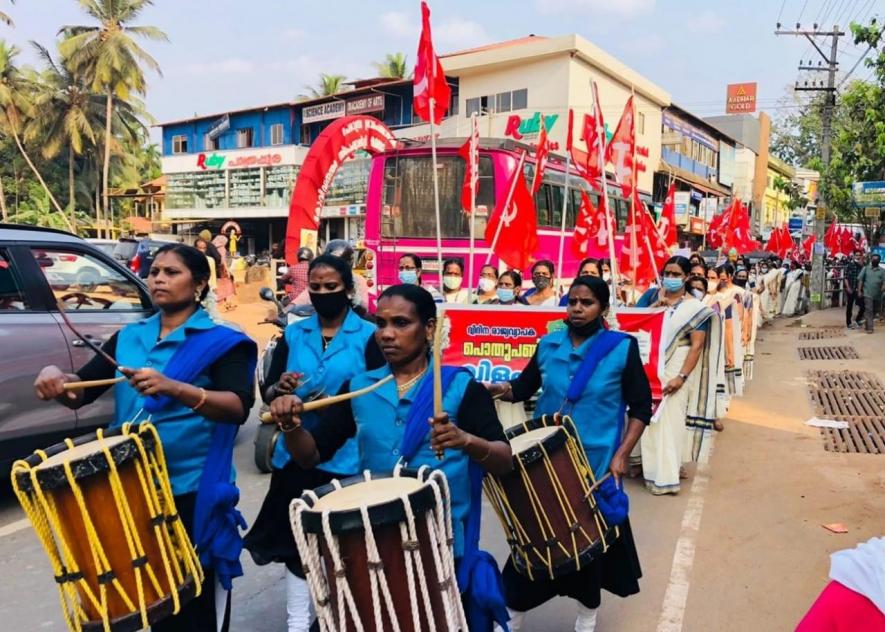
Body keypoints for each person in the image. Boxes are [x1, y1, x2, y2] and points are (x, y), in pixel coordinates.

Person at [33, 244, 257, 631]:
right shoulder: (129, 337)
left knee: (197, 610)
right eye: (154, 272)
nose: (159, 279)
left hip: (193, 491)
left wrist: (175, 388)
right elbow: (79, 392)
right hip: (132, 491)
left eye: (172, 273)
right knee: (147, 606)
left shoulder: (222, 341)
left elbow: (237, 407)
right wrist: (57, 377)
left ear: (200, 283)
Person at [272, 284, 512, 631]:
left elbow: (504, 460)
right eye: (381, 323)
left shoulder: (460, 387)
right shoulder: (358, 388)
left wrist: (466, 441)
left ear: (429, 328)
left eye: (401, 323)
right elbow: (311, 456)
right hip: (370, 543)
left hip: (441, 546)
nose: (386, 334)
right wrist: (291, 427)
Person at [486, 275, 652, 632]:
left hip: (593, 464)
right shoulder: (548, 344)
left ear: (603, 308)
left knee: (585, 547)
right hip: (543, 464)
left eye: (587, 302)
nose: (577, 308)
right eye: (573, 301)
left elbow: (641, 406)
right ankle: (511, 616)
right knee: (531, 537)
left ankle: (586, 616)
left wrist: (622, 455)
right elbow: (522, 388)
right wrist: (496, 388)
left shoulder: (620, 348)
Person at [244, 254, 382, 632]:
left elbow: (374, 394)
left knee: (344, 549)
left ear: (348, 290)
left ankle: (340, 619)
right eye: (316, 288)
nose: (322, 294)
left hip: (347, 458)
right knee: (297, 548)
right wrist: (280, 389)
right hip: (296, 453)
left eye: (331, 287)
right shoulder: (294, 332)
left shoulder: (370, 336)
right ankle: (297, 624)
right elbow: (269, 390)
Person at [637, 257, 715, 495]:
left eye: (675, 273)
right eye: (667, 273)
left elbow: (696, 345)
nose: (670, 277)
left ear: (687, 277)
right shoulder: (652, 298)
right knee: (651, 422)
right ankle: (651, 473)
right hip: (650, 367)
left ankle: (667, 476)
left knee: (670, 421)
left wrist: (681, 376)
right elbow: (634, 325)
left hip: (677, 367)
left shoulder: (696, 307)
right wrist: (656, 308)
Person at [292, 240, 369, 311]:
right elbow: (304, 297)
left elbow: (364, 306)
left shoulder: (358, 280)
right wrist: (288, 309)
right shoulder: (322, 277)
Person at [858, 252, 885, 334]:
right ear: (871, 260)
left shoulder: (882, 271)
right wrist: (859, 290)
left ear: (879, 261)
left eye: (877, 259)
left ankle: (867, 324)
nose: (875, 260)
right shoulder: (866, 269)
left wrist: (883, 287)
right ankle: (870, 328)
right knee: (869, 310)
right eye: (873, 259)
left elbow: (884, 281)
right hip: (867, 293)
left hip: (878, 294)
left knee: (874, 311)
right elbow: (861, 280)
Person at [195, 237, 221, 321]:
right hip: (195, 291)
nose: (202, 250)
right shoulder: (191, 261)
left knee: (212, 313)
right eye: (200, 248)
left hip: (209, 290)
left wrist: (215, 288)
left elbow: (213, 275)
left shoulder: (210, 260)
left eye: (204, 248)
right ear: (195, 248)